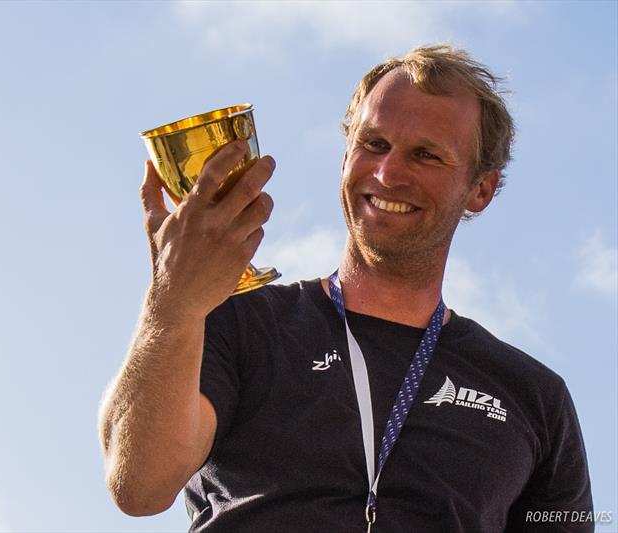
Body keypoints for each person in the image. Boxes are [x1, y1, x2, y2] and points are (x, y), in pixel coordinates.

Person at [98, 45, 594, 532]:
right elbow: (140, 487)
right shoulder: (236, 322)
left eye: (425, 155)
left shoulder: (535, 396)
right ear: (344, 158)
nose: (387, 173)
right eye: (373, 144)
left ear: (480, 189)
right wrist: (171, 302)